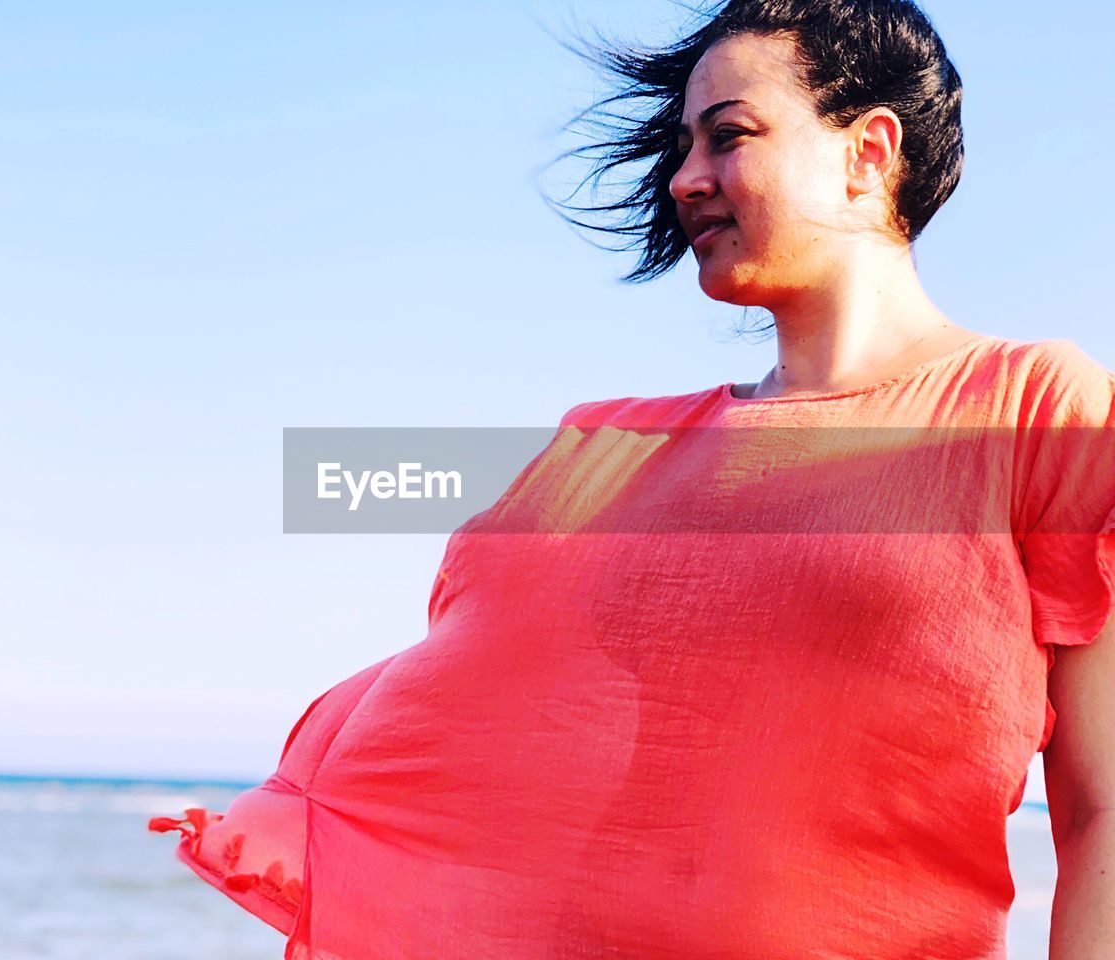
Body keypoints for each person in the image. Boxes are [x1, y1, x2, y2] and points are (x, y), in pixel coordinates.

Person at [150, 2, 1115, 957]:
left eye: (727, 136)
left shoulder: (1039, 413)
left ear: (868, 151)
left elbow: (1101, 817)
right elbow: (490, 741)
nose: (686, 180)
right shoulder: (599, 452)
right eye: (682, 148)